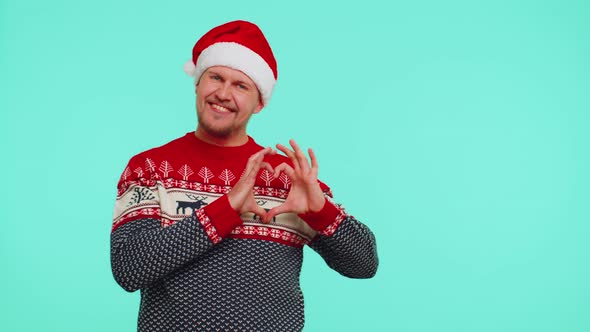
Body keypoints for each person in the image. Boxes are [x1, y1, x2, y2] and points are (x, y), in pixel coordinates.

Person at [111, 20, 378, 332]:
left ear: (260, 103)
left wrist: (322, 213)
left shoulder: (286, 177)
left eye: (241, 85)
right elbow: (128, 268)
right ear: (198, 82)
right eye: (216, 77)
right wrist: (226, 210)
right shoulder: (151, 167)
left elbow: (364, 264)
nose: (223, 93)